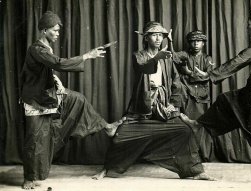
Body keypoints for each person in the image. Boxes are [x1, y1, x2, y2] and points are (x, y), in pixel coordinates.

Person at [180, 2, 251, 188]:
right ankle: (199, 124)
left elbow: (238, 60)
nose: (247, 27)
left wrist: (209, 75)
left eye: (249, 24)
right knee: (226, 100)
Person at [92, 21, 215, 181]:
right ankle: (108, 169)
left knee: (185, 131)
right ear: (146, 38)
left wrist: (173, 104)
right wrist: (157, 57)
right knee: (121, 136)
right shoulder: (139, 55)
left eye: (161, 35)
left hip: (162, 105)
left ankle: (195, 171)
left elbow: (176, 82)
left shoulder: (168, 58)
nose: (159, 38)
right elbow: (143, 68)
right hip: (142, 106)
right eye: (154, 35)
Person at [20, 11, 123, 189]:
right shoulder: (37, 49)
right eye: (55, 30)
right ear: (44, 31)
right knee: (35, 139)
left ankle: (107, 127)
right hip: (35, 99)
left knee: (78, 99)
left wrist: (56, 81)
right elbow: (58, 63)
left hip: (47, 93)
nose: (58, 34)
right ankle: (29, 179)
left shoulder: (46, 48)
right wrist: (86, 56)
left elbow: (47, 70)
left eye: (59, 31)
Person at [170, 30, 215, 119]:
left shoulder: (207, 59)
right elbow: (173, 56)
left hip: (201, 96)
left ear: (203, 43)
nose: (195, 44)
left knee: (200, 121)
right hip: (186, 93)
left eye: (198, 41)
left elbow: (207, 77)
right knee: (184, 119)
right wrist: (170, 41)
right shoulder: (185, 54)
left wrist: (189, 73)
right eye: (193, 41)